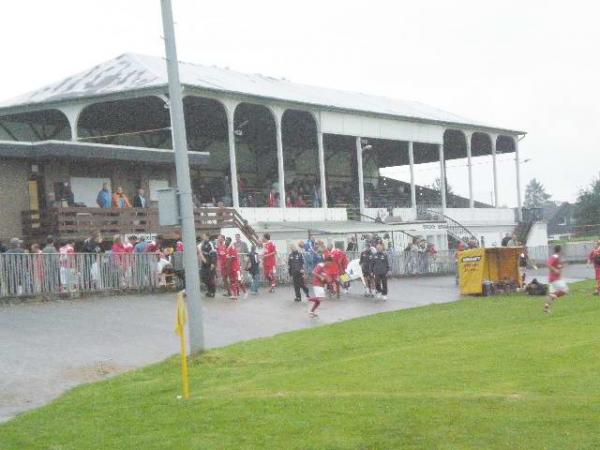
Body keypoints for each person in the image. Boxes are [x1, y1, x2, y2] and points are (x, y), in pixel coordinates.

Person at [544, 244, 568, 313]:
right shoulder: (555, 256)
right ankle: (551, 295)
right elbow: (548, 264)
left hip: (553, 279)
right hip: (555, 279)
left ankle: (546, 308)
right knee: (565, 290)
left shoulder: (557, 257)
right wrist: (555, 270)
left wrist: (561, 266)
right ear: (560, 250)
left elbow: (557, 266)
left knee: (553, 296)